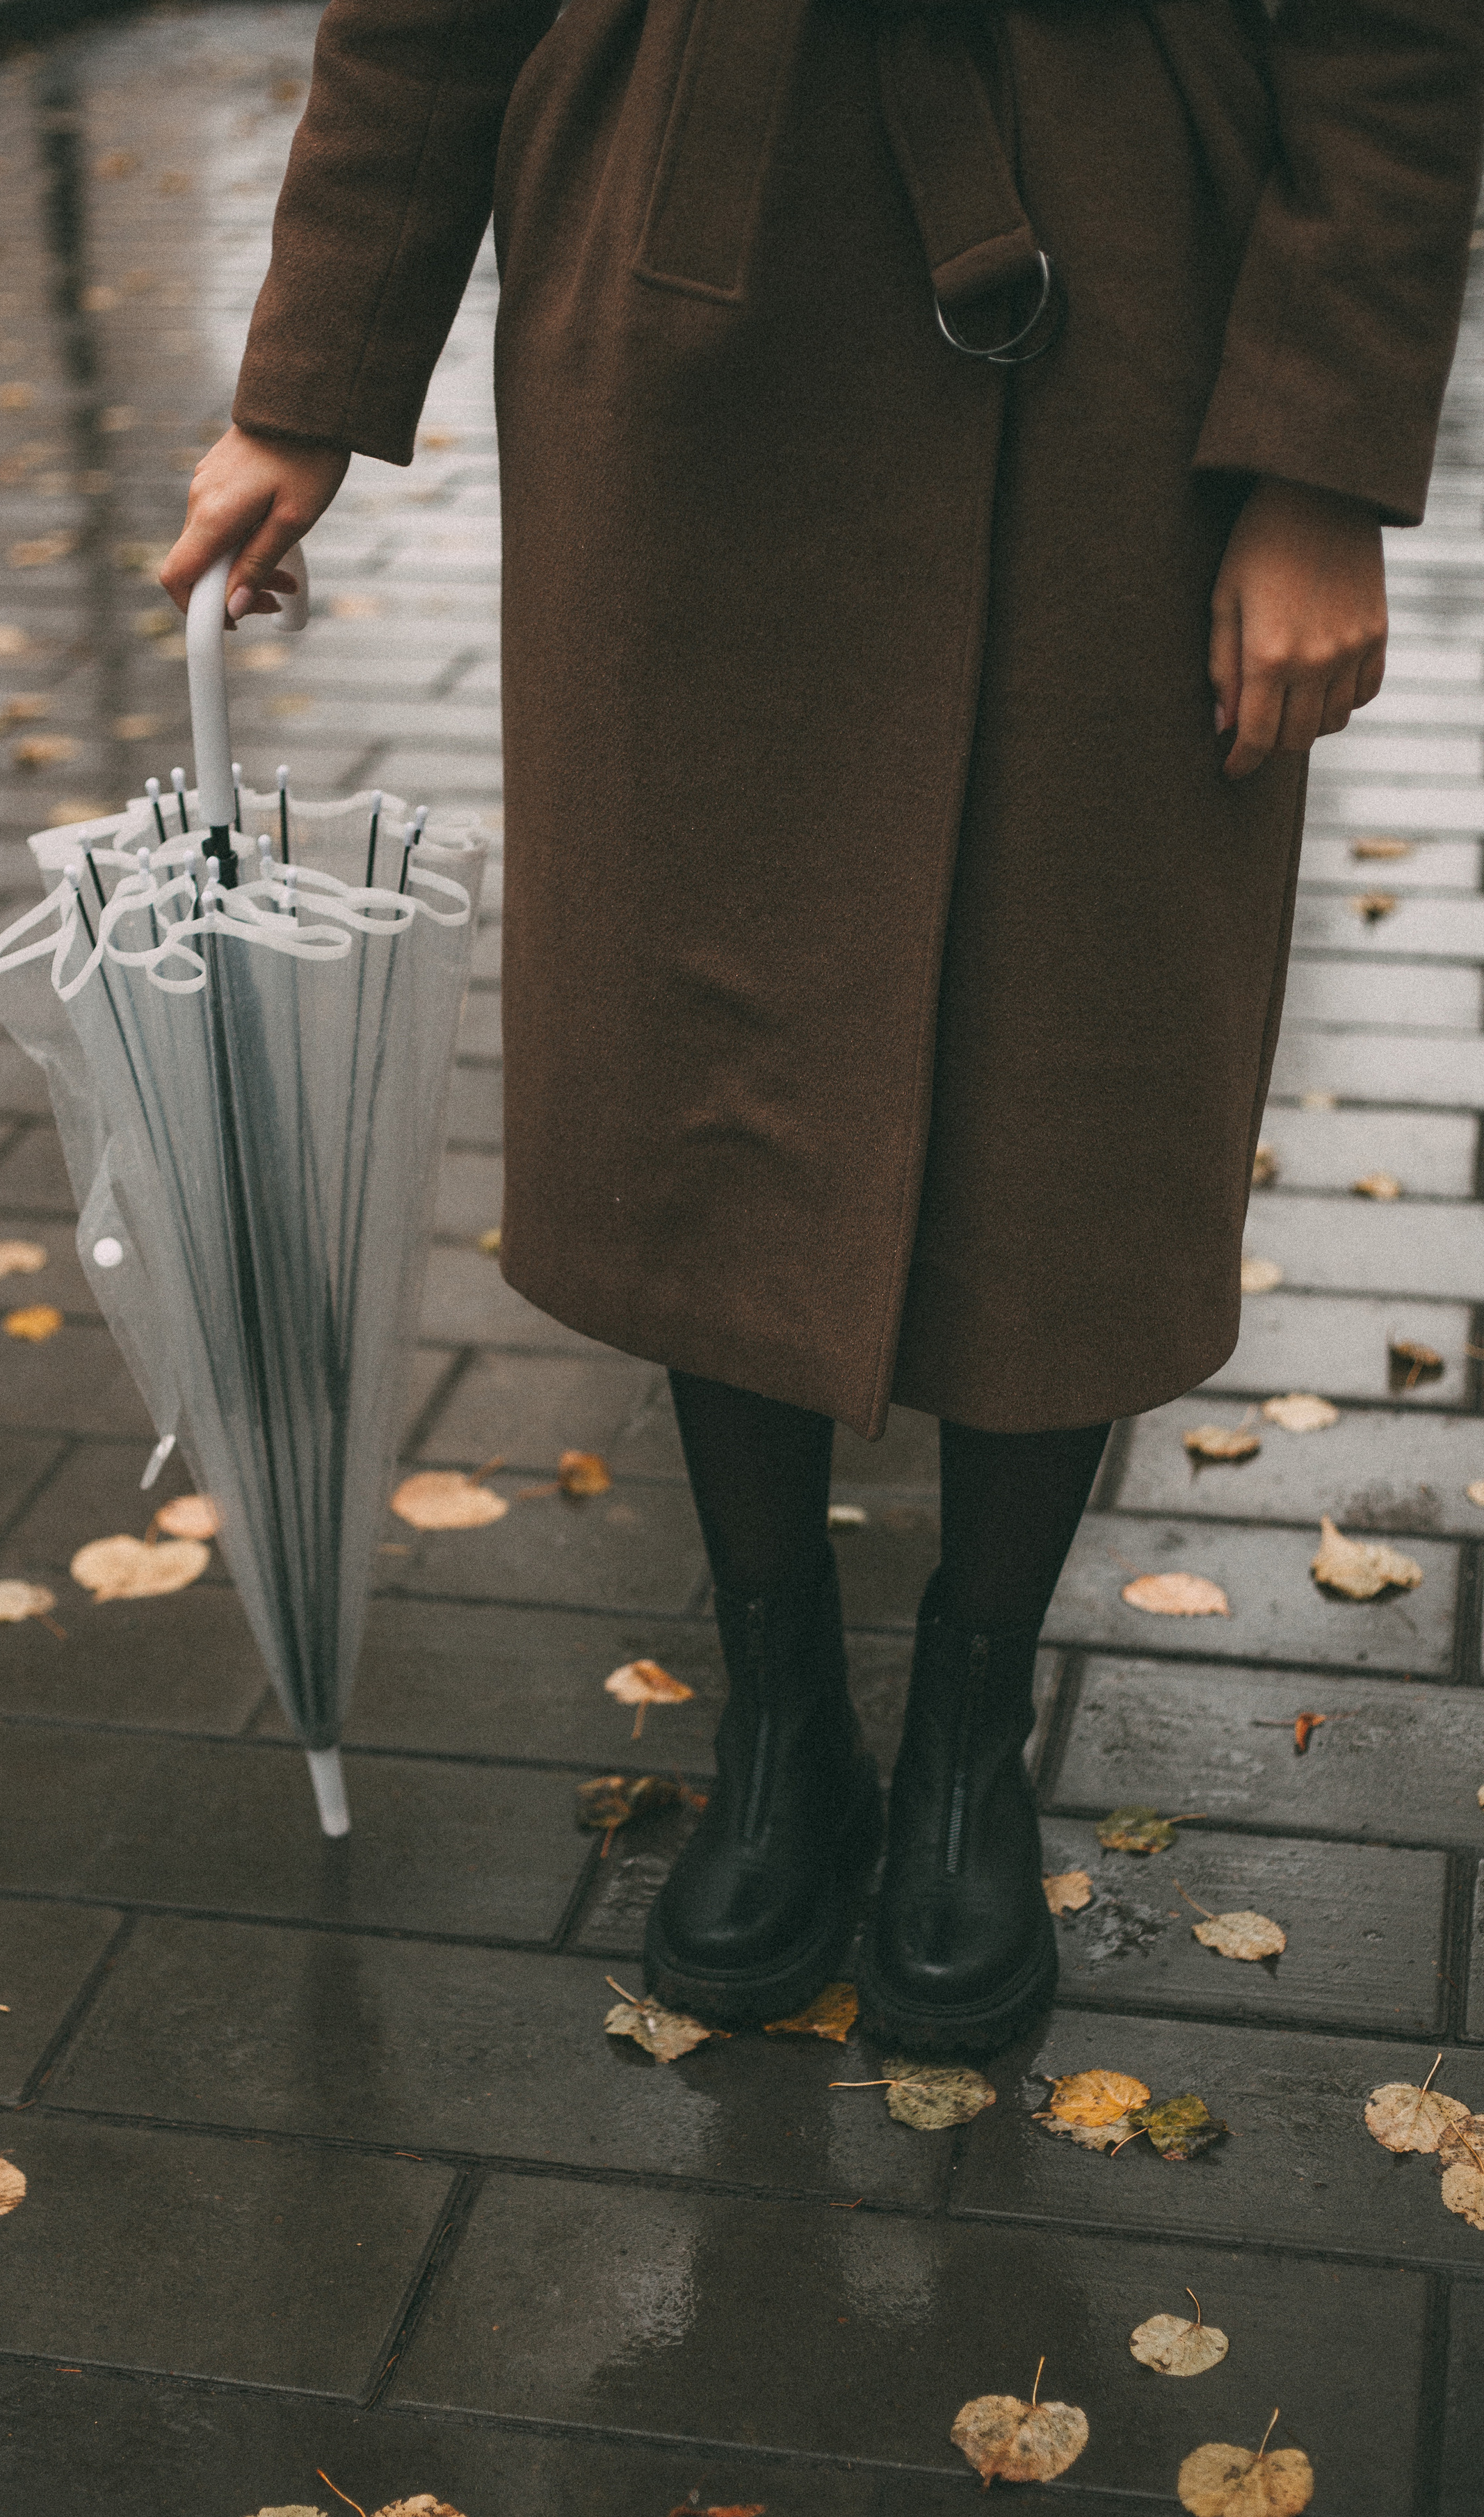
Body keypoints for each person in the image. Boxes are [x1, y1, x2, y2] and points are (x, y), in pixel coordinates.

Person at [163, 0, 1484, 2057]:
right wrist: (308, 383)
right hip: (697, 275)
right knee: (702, 1012)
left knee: (1086, 1031)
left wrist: (1321, 458)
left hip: (1129, 279)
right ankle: (784, 1710)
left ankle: (971, 1719)